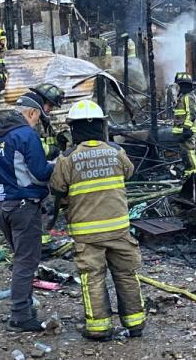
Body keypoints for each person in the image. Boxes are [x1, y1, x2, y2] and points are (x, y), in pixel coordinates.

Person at [49, 100, 144, 340]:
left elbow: (57, 188)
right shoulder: (116, 151)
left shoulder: (68, 158)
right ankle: (135, 324)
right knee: (126, 274)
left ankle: (99, 328)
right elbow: (129, 172)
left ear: (74, 129)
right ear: (101, 126)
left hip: (87, 233)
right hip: (119, 228)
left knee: (92, 277)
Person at [0, 92, 53, 332]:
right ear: (32, 113)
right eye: (38, 118)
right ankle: (21, 316)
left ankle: (24, 308)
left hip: (1, 206)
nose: (37, 123)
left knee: (21, 259)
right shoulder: (26, 135)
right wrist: (57, 166)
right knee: (26, 262)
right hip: (24, 206)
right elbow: (40, 173)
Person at [171, 72, 196, 178]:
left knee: (190, 152)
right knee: (185, 153)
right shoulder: (183, 97)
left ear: (183, 85)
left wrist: (186, 129)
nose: (177, 87)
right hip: (182, 131)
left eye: (178, 85)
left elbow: (192, 113)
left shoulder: (188, 97)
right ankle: (188, 173)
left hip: (188, 131)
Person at [29, 83, 67, 159]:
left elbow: (48, 141)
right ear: (40, 101)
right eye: (50, 105)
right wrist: (52, 150)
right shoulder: (30, 120)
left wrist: (59, 141)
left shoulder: (45, 121)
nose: (51, 109)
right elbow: (31, 147)